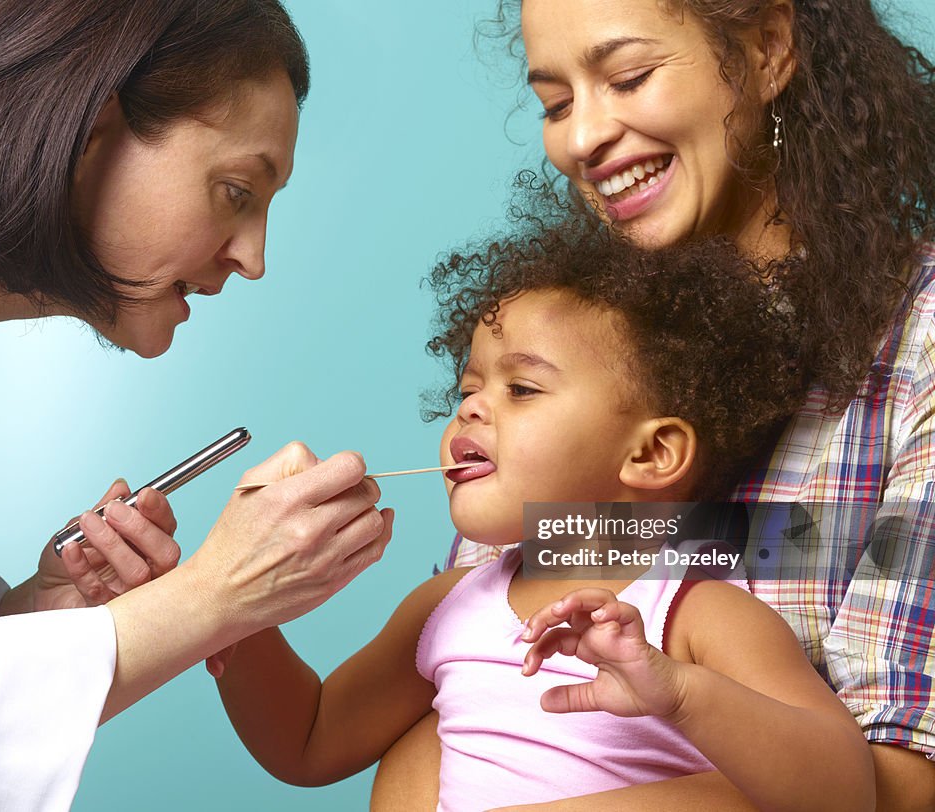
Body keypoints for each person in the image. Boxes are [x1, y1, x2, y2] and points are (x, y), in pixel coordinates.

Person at [373, 2, 935, 808]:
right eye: (555, 104)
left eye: (628, 77)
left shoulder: (919, 335)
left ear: (769, 49)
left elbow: (900, 788)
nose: (579, 138)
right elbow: (449, 716)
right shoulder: (561, 347)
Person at [214, 218, 874, 810]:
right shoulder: (445, 604)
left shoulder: (697, 615)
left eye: (521, 388)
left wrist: (677, 693)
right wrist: (228, 608)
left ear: (652, 453)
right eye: (468, 389)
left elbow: (846, 790)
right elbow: (309, 739)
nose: (470, 409)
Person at [0, 2, 393, 809]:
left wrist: (41, 613)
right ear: (94, 128)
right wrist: (216, 594)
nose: (254, 257)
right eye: (236, 190)